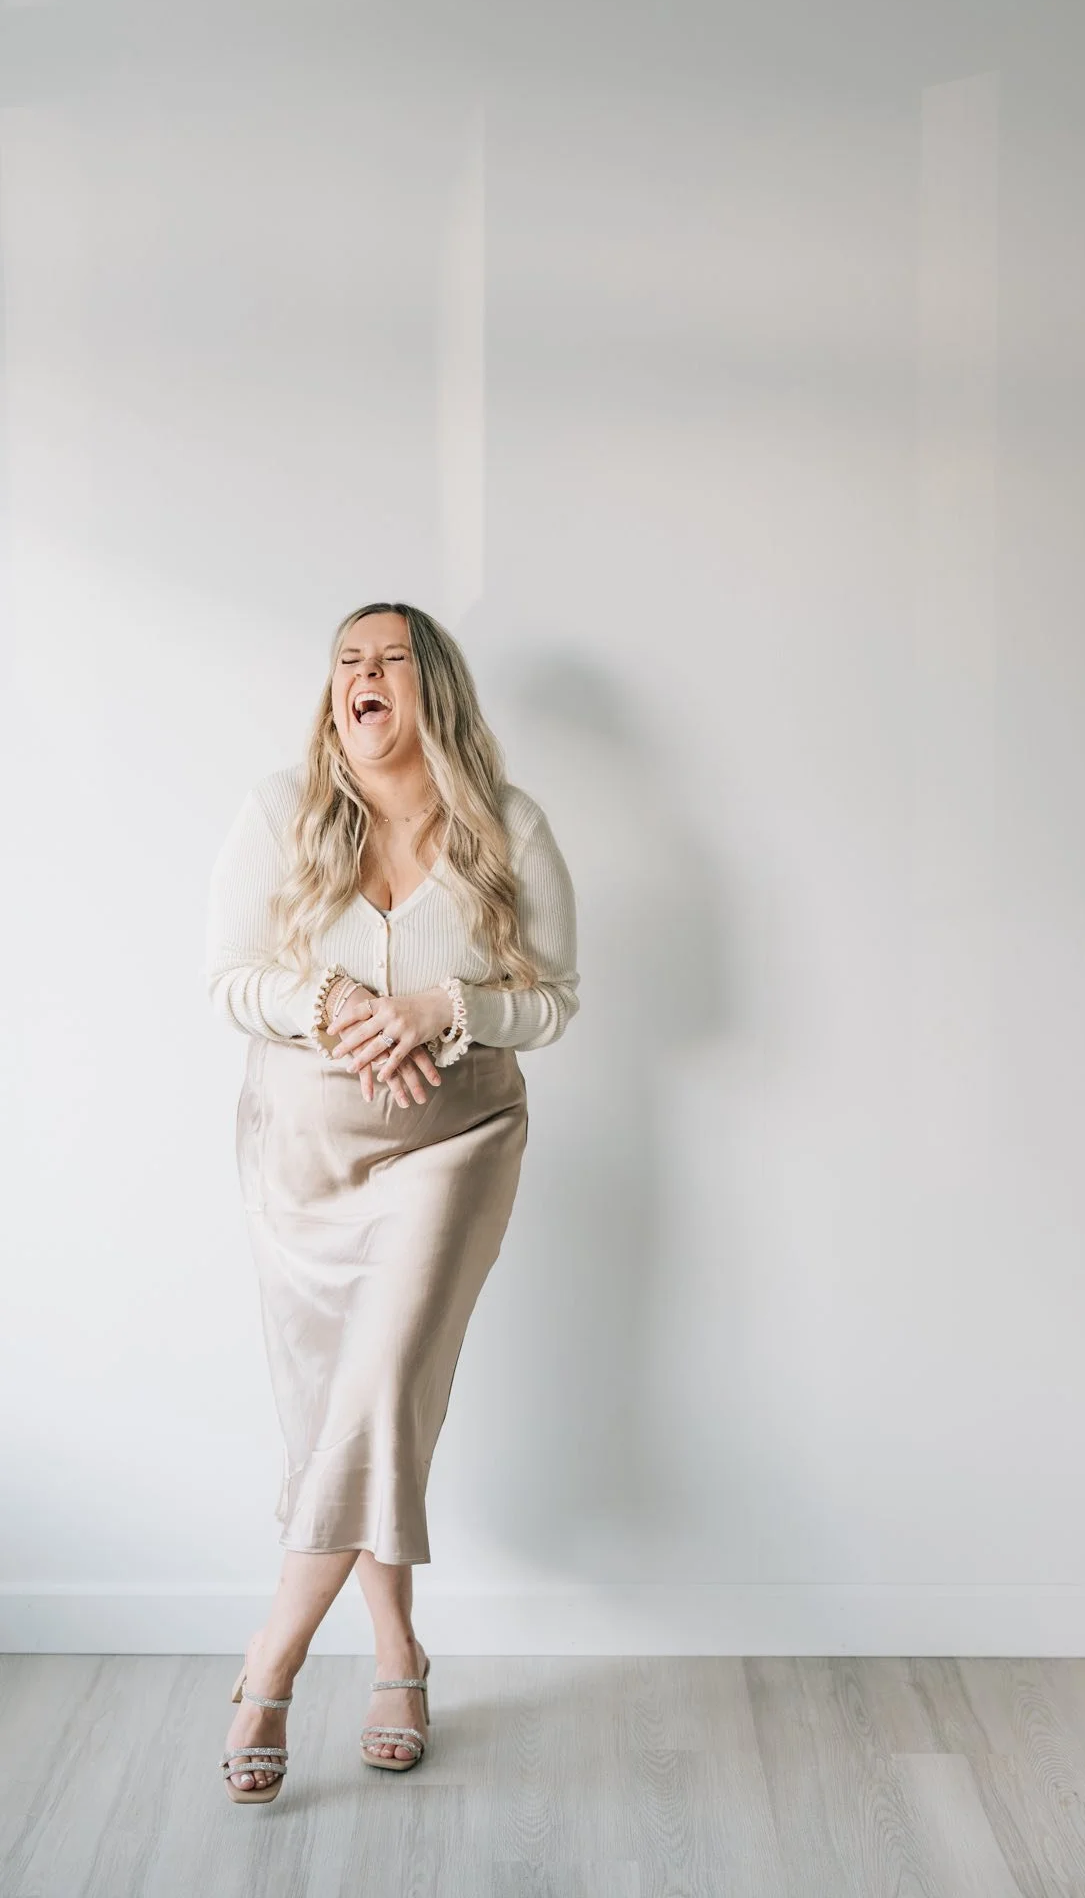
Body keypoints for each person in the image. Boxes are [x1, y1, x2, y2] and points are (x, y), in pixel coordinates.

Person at [203, 599, 579, 1801]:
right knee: (346, 1418)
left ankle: (270, 1661)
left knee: (374, 1389)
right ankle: (399, 1654)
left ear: (435, 690)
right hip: (300, 1152)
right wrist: (333, 1006)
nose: (362, 675)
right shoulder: (282, 809)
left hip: (452, 1140)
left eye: (390, 659)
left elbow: (553, 999)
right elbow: (229, 979)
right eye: (346, 661)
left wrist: (441, 1009)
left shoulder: (507, 823)